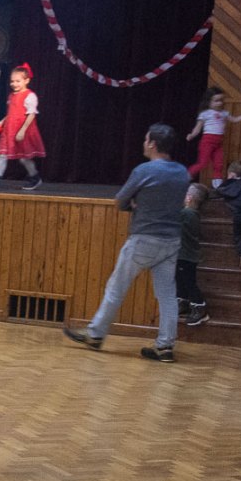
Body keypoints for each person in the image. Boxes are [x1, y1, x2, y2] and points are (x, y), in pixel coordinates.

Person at [62, 124, 190, 363]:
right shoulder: (183, 172)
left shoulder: (144, 170)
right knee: (167, 295)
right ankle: (165, 346)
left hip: (144, 238)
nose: (143, 143)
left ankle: (95, 334)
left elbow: (120, 200)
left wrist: (133, 205)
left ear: (152, 144)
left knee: (116, 287)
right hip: (172, 241)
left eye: (145, 139)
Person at [0, 64, 44, 190]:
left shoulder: (30, 96)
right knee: (3, 155)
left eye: (18, 81)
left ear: (26, 80)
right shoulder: (11, 96)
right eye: (12, 81)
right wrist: (1, 122)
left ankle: (35, 177)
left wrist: (22, 131)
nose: (14, 84)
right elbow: (11, 113)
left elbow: (31, 114)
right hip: (10, 130)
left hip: (22, 130)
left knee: (24, 158)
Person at [187, 86, 241, 185]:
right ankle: (186, 176)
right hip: (207, 141)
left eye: (221, 100)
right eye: (216, 101)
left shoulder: (224, 113)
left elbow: (235, 119)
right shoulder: (205, 114)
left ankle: (217, 184)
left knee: (219, 164)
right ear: (209, 101)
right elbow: (198, 128)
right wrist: (192, 135)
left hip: (218, 143)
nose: (219, 103)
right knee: (203, 163)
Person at [177, 183, 208, 327]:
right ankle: (183, 303)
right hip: (183, 255)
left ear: (189, 198)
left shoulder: (187, 213)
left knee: (189, 282)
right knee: (180, 281)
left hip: (186, 256)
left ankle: (200, 308)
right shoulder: (189, 213)